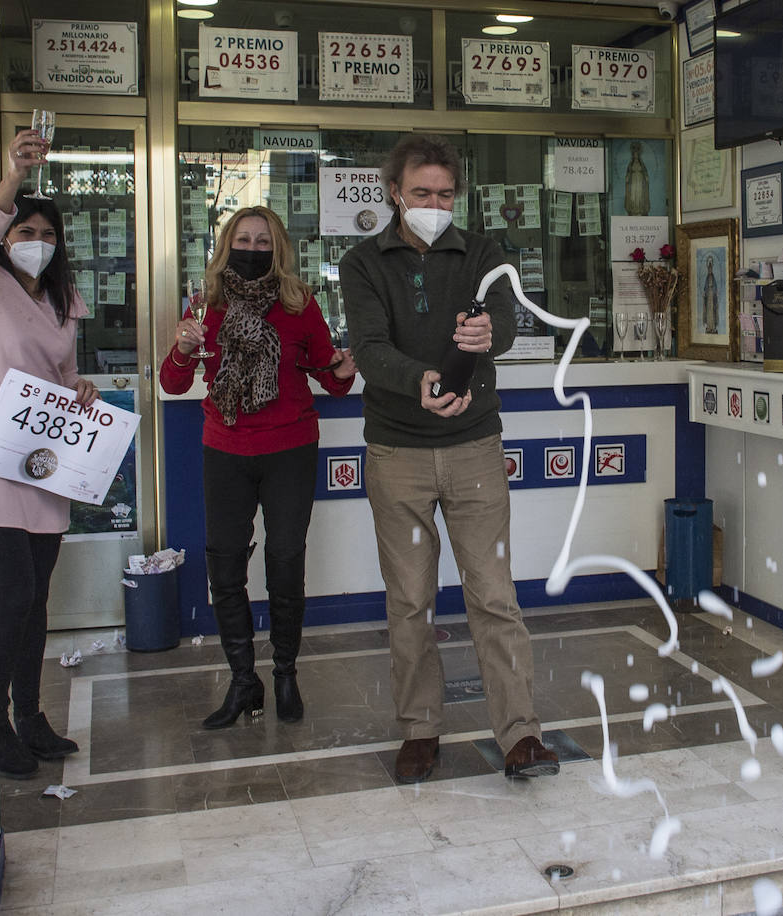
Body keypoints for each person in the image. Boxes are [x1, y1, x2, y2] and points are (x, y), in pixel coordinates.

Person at [340, 134, 559, 784]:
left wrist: (490, 331)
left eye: (443, 194)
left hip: (474, 453)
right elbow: (370, 349)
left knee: (493, 596)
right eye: (420, 194)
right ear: (394, 193)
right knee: (410, 601)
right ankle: (420, 730)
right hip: (398, 454)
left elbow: (505, 316)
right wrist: (422, 382)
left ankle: (520, 735)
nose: (433, 205)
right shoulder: (362, 263)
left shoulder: (481, 252)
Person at [161, 206, 356, 729]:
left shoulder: (300, 304)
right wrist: (182, 350)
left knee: (286, 560)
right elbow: (173, 384)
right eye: (244, 240)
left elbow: (330, 378)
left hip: (290, 447)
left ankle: (286, 673)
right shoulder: (206, 307)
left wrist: (343, 368)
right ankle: (244, 682)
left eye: (263, 242)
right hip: (224, 447)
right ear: (227, 246)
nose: (253, 249)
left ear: (279, 250)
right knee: (225, 566)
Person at [0, 129, 97, 778]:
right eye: (26, 234)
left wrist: (79, 389)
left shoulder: (61, 301)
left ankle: (31, 716)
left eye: (47, 236)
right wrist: (14, 175)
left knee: (38, 598)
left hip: (43, 468)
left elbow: (65, 375)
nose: (36, 245)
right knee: (15, 597)